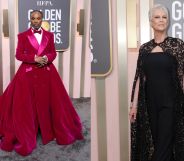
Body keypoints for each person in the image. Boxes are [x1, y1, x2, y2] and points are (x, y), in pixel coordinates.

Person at [0, 10, 83, 156]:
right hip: (28, 74)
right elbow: (19, 54)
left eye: (38, 18)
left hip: (47, 73)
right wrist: (34, 58)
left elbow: (53, 52)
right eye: (33, 18)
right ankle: (29, 129)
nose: (36, 20)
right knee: (27, 106)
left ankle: (49, 128)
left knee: (51, 103)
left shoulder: (49, 35)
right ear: (30, 19)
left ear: (42, 19)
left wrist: (46, 58)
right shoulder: (23, 35)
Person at [129, 4, 184, 161]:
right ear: (151, 22)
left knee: (165, 145)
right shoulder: (144, 48)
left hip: (171, 102)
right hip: (149, 103)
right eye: (157, 17)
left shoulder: (177, 45)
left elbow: (182, 75)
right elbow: (140, 77)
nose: (161, 20)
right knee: (154, 142)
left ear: (168, 21)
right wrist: (134, 106)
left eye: (164, 17)